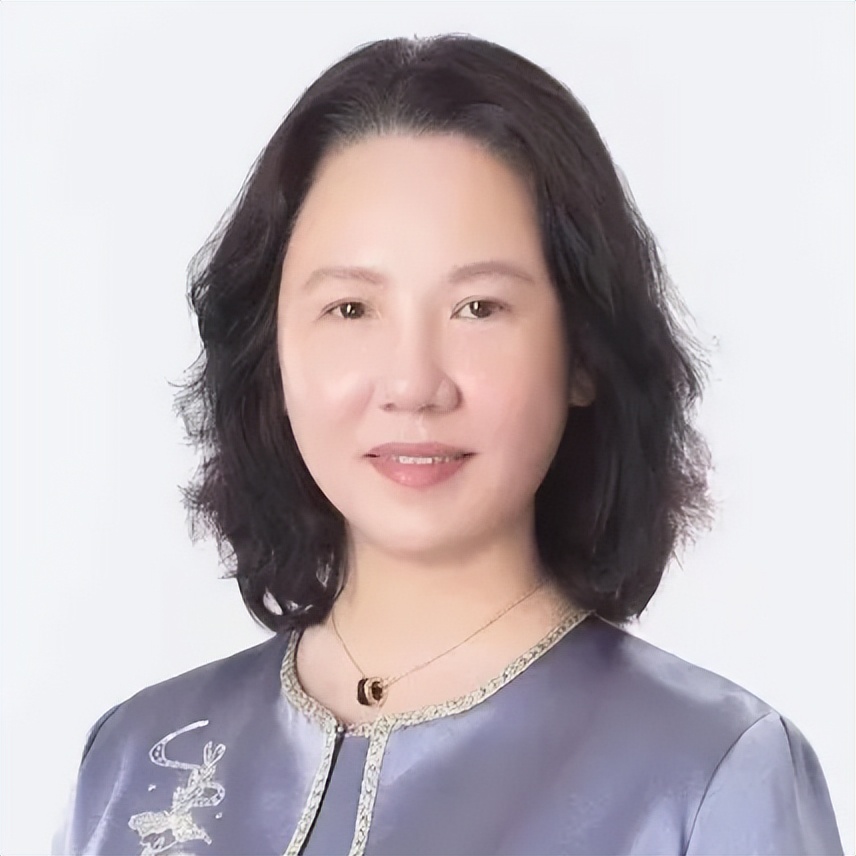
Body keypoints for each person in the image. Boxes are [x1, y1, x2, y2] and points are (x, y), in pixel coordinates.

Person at [55, 34, 843, 856]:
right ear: (271, 350)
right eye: (351, 309)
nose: (414, 384)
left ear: (583, 353)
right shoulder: (130, 764)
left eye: (479, 308)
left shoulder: (709, 772)